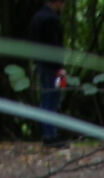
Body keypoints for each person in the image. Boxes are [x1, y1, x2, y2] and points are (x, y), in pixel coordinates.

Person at [25, 0, 70, 147]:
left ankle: (48, 134)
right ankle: (51, 135)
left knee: (46, 99)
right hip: (51, 66)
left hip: (41, 63)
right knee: (52, 99)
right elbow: (54, 46)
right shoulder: (51, 19)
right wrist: (60, 67)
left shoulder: (37, 17)